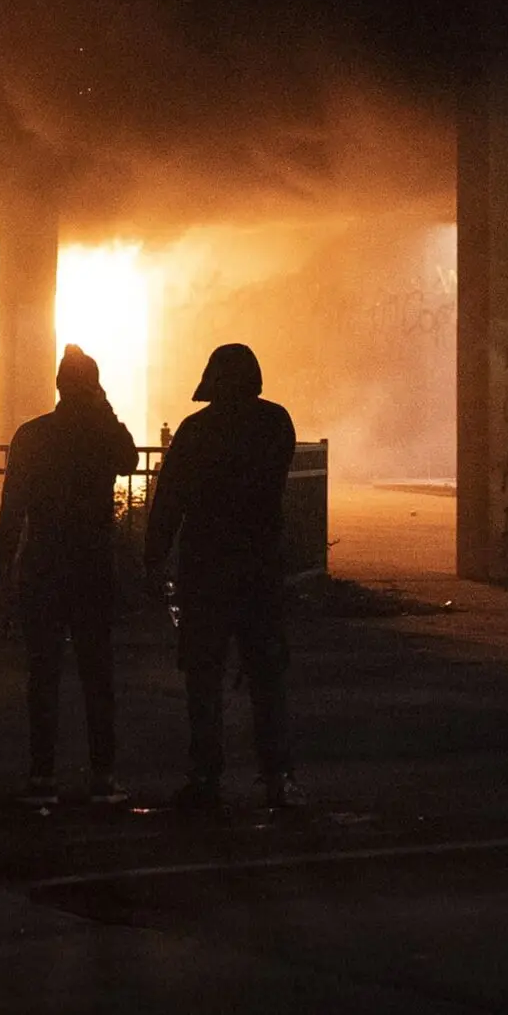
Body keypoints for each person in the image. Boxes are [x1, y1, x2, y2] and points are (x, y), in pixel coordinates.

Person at [144, 342, 298, 814]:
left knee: (204, 679)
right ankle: (278, 778)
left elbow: (168, 503)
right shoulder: (276, 424)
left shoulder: (195, 432)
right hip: (259, 571)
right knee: (266, 678)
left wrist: (153, 562)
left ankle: (206, 776)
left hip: (206, 571)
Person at [0, 344, 139, 807]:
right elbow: (129, 459)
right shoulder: (102, 434)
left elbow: (13, 507)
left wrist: (4, 572)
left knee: (43, 675)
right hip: (91, 563)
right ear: (94, 387)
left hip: (43, 563)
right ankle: (103, 774)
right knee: (97, 674)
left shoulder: (33, 435)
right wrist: (105, 406)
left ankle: (42, 776)